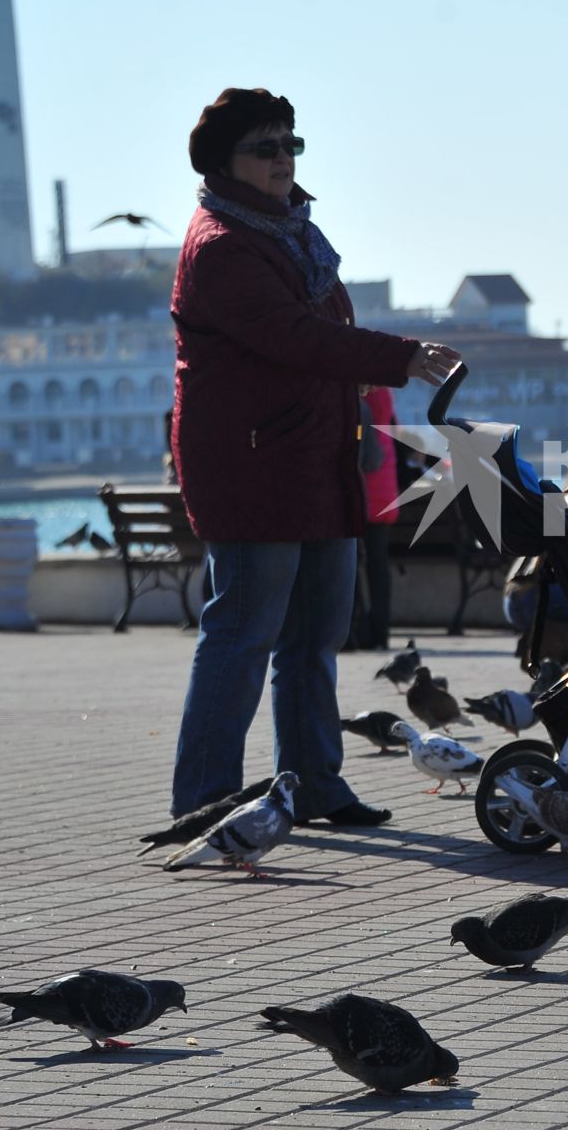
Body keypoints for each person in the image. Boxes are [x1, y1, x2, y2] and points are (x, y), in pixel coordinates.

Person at [168, 86, 460, 826]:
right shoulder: (224, 246)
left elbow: (317, 340)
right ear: (223, 162)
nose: (281, 159)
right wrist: (400, 356)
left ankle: (314, 785)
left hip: (318, 463)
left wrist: (367, 370)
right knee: (243, 633)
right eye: (264, 147)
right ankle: (205, 798)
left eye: (290, 144)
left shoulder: (289, 234)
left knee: (312, 637)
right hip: (253, 466)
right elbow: (295, 337)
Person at [346, 386, 400, 651]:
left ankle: (356, 630)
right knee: (378, 565)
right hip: (384, 493)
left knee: (351, 564)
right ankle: (381, 631)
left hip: (360, 492)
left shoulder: (357, 402)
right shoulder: (384, 402)